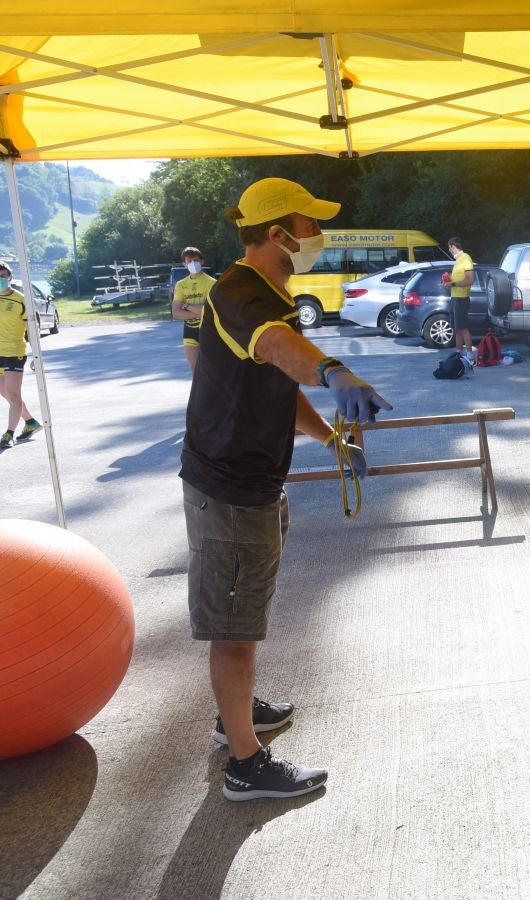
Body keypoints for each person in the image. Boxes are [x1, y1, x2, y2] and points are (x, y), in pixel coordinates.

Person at [180, 177, 390, 801]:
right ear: (278, 234)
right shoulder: (239, 291)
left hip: (254, 486)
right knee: (235, 628)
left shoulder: (274, 293)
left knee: (244, 615)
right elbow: (278, 348)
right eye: (309, 225)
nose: (318, 236)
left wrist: (330, 440)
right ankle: (245, 762)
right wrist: (333, 367)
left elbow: (279, 382)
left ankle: (236, 715)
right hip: (230, 490)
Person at [0, 262, 43, 449]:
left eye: (3, 276)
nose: (0, 280)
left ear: (9, 277)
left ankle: (8, 434)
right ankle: (30, 421)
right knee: (6, 393)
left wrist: (37, 355)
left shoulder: (21, 300)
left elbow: (32, 330)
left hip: (13, 353)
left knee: (14, 396)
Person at [171, 246, 216, 373]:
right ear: (184, 264)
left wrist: (186, 306)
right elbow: (176, 313)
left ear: (202, 261)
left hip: (209, 330)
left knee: (213, 370)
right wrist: (198, 311)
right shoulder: (181, 284)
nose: (193, 264)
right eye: (189, 261)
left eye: (195, 260)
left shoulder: (212, 283)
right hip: (190, 332)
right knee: (196, 372)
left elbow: (209, 311)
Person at [441, 237, 475, 355]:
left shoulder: (466, 258)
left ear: (453, 246)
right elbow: (459, 278)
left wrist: (453, 283)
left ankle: (470, 356)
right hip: (455, 297)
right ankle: (458, 353)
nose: (449, 250)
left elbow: (470, 280)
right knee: (457, 329)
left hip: (462, 298)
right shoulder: (458, 260)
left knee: (463, 328)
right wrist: (449, 279)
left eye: (449, 248)